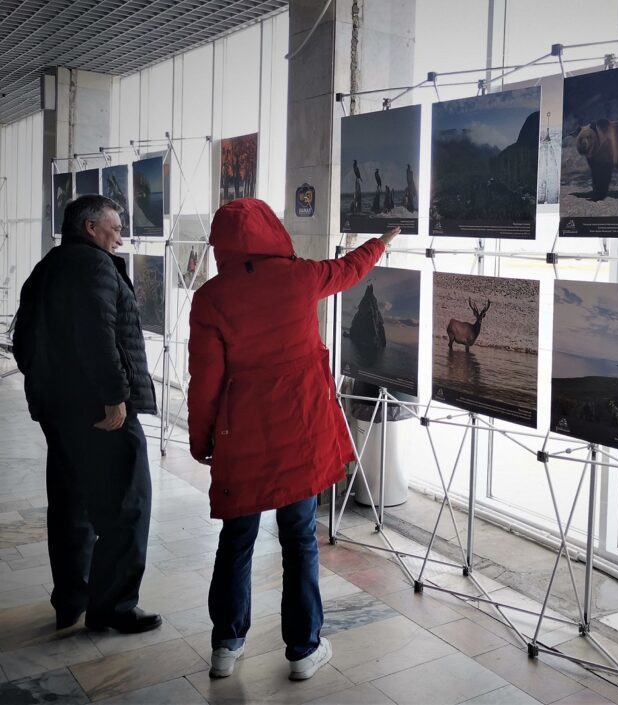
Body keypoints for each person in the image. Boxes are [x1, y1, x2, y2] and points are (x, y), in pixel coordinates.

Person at [187, 198, 399, 681]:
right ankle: (303, 649)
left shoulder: (212, 299)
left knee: (237, 538)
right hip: (299, 431)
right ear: (271, 232)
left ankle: (226, 644)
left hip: (242, 435)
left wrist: (202, 440)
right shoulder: (300, 277)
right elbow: (348, 270)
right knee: (299, 538)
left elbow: (205, 379)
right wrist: (380, 244)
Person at [13, 195, 160, 634]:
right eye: (115, 226)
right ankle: (112, 608)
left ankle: (71, 600)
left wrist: (50, 390)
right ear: (91, 227)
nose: (120, 234)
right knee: (127, 506)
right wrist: (113, 395)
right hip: (102, 413)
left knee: (70, 506)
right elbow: (99, 335)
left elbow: (22, 339)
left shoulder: (48, 266)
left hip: (59, 412)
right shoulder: (94, 266)